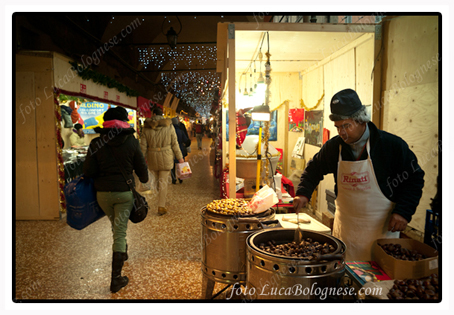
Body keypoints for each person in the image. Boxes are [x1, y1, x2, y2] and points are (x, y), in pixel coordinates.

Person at [293, 88, 425, 261]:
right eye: (338, 127)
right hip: (346, 233)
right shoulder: (334, 148)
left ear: (361, 120)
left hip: (380, 233)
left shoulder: (390, 146)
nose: (342, 133)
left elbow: (414, 178)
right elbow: (314, 169)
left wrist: (403, 212)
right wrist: (303, 193)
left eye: (347, 126)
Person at [83, 106, 148, 293]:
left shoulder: (96, 143)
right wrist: (144, 180)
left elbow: (88, 171)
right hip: (124, 193)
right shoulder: (131, 142)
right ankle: (116, 279)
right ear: (124, 123)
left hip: (103, 195)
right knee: (120, 232)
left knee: (116, 225)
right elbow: (141, 167)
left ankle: (123, 252)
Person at [141, 107, 184, 215]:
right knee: (163, 182)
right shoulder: (169, 126)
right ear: (162, 114)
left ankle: (158, 198)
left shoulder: (146, 128)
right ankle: (161, 206)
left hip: (152, 157)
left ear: (153, 114)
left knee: (155, 181)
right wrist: (180, 158)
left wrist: (141, 160)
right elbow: (175, 143)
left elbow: (143, 147)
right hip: (166, 156)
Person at [171, 117, 190, 184]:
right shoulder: (181, 131)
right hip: (180, 149)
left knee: (172, 165)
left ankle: (173, 179)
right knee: (180, 164)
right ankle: (180, 177)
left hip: (172, 150)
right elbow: (186, 140)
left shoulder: (170, 131)